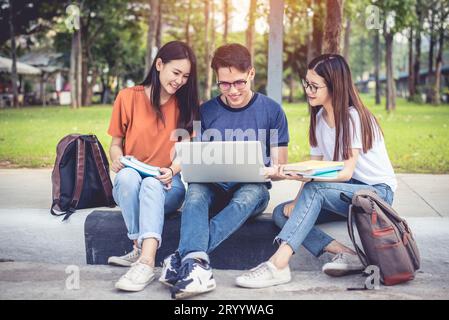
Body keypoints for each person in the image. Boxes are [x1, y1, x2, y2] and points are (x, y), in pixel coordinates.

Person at [235, 54, 397, 289]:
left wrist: (305, 178)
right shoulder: (320, 118)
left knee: (315, 190)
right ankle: (346, 254)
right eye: (306, 83)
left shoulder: (353, 118)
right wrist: (296, 183)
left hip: (375, 195)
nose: (308, 90)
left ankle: (278, 264)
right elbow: (316, 168)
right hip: (344, 192)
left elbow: (344, 172)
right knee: (283, 213)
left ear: (335, 86)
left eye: (314, 86)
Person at [160, 43, 290, 299]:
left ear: (251, 73)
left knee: (248, 196)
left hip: (252, 188)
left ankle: (184, 259)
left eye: (239, 82)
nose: (233, 90)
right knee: (195, 193)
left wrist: (268, 170)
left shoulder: (272, 111)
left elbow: (279, 167)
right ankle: (196, 266)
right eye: (225, 84)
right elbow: (194, 157)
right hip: (214, 186)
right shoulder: (206, 111)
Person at [106, 41, 199, 292]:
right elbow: (116, 144)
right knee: (127, 177)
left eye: (185, 76)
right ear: (159, 65)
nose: (180, 81)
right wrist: (116, 158)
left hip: (168, 184)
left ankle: (145, 261)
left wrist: (172, 170)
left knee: (150, 182)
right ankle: (139, 247)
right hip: (131, 181)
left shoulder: (186, 104)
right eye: (176, 73)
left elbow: (186, 153)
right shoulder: (127, 97)